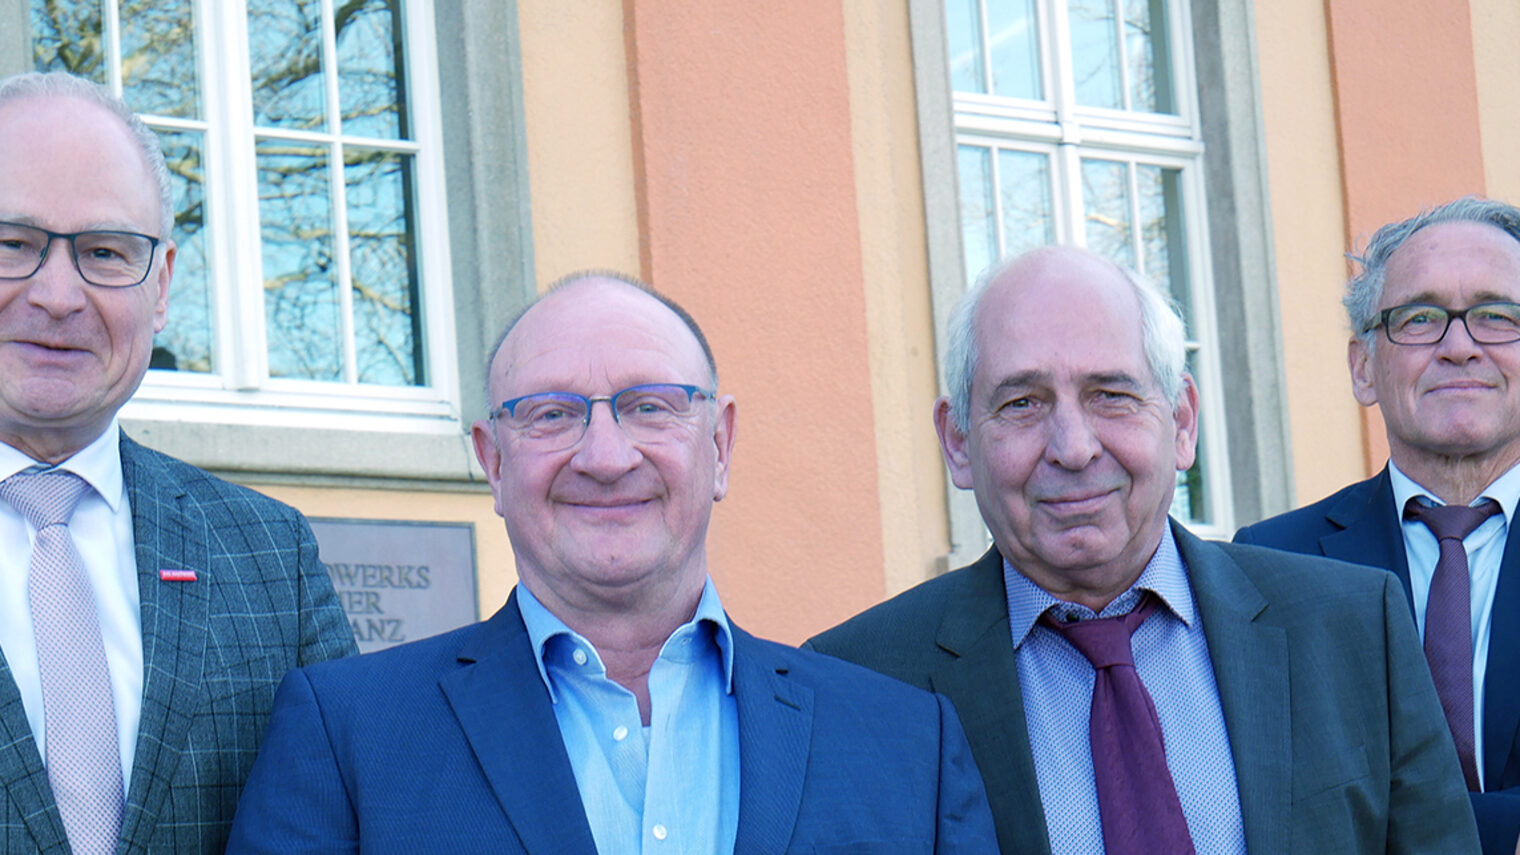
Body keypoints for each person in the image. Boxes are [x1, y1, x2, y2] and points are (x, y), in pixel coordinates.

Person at [226, 272, 997, 853]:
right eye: (552, 414)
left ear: (720, 446)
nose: (604, 455)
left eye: (650, 405)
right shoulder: (347, 737)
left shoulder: (906, 742)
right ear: (493, 463)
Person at [807, 245, 1481, 854]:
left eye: (1111, 395)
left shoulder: (1354, 628)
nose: (1073, 447)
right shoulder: (856, 685)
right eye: (1022, 403)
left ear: (1182, 422)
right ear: (957, 440)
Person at [0, 71, 355, 854]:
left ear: (160, 288)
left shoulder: (272, 557)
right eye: (12, 244)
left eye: (104, 251)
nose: (58, 294)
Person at [1236, 197, 1520, 855]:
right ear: (1364, 368)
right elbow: (1286, 807)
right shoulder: (1271, 564)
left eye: (1496, 316)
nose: (1459, 346)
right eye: (1418, 318)